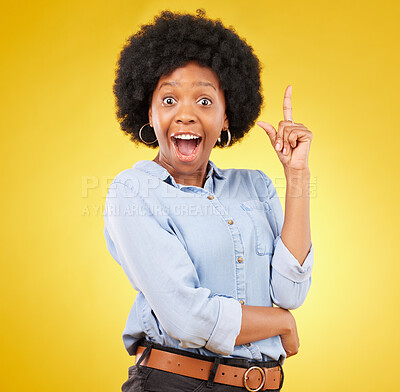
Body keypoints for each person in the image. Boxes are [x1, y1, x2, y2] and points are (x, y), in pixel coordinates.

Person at [103, 9, 314, 392]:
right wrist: (282, 323)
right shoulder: (133, 190)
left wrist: (297, 175)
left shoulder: (257, 187)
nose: (185, 114)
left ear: (226, 117)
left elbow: (290, 293)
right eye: (169, 100)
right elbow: (187, 320)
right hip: (174, 383)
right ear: (148, 112)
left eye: (204, 101)